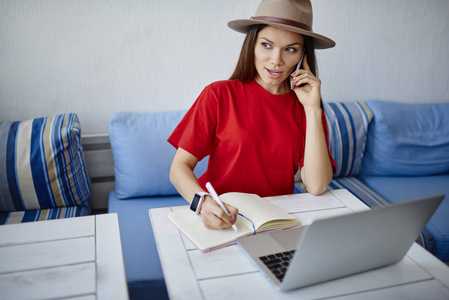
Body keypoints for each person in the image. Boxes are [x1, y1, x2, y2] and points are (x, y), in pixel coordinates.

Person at [168, 0, 337, 230]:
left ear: (303, 55)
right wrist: (203, 203)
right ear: (252, 45)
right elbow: (179, 168)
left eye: (290, 49)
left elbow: (317, 186)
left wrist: (313, 109)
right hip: (221, 219)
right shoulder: (219, 95)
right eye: (267, 45)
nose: (276, 60)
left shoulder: (307, 108)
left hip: (275, 221)